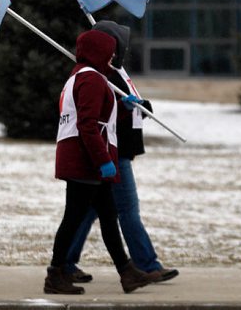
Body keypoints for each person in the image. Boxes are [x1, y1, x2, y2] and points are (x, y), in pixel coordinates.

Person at [65, 20, 179, 284]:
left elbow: (118, 106)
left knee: (88, 211)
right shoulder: (102, 74)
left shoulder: (116, 72)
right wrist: (126, 108)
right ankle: (147, 265)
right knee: (128, 210)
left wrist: (138, 106)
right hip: (115, 154)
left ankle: (65, 263)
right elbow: (100, 114)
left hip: (117, 151)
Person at [44, 28, 151, 295]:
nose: (114, 56)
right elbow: (88, 125)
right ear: (98, 52)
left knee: (108, 216)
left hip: (86, 159)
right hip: (86, 161)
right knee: (74, 218)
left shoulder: (82, 76)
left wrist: (124, 109)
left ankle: (127, 273)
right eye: (110, 51)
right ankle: (55, 274)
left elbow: (101, 119)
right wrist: (103, 160)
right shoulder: (91, 79)